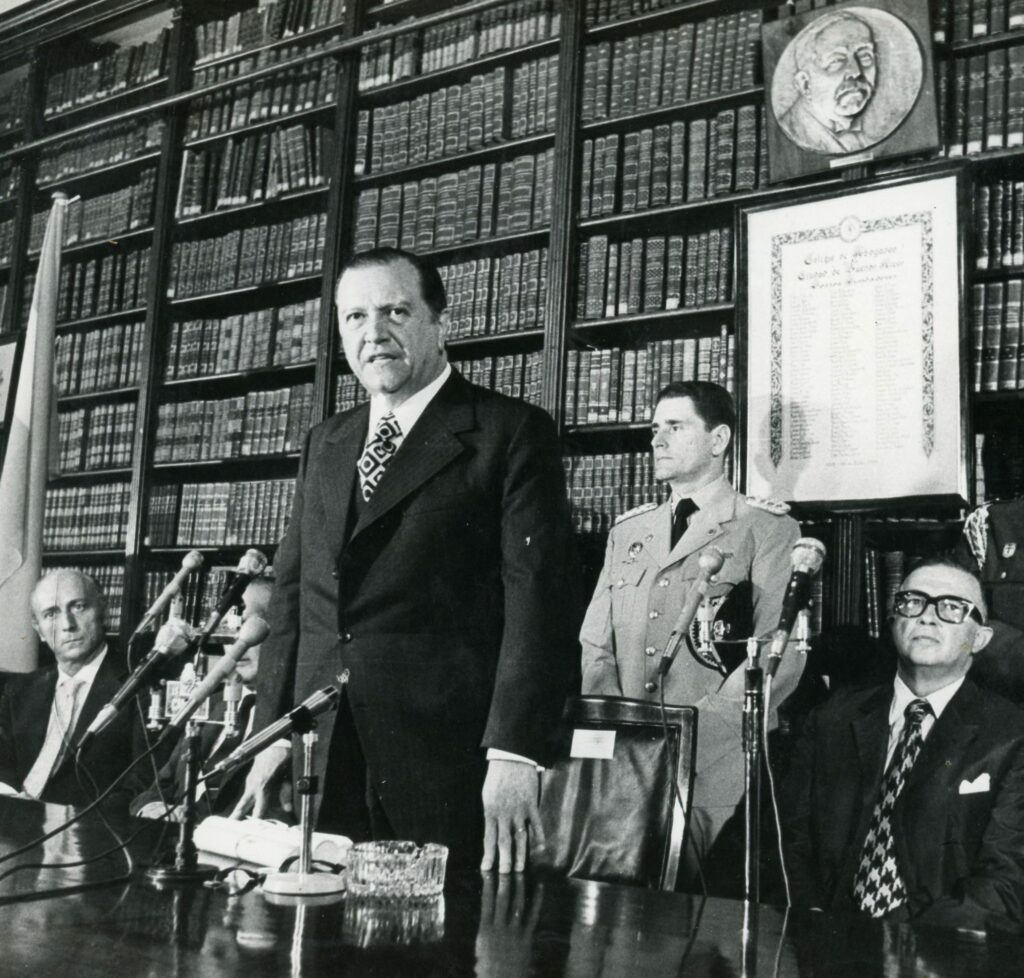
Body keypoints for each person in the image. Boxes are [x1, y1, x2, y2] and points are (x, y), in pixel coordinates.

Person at [237, 247, 580, 871]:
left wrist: (513, 753)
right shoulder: (326, 441)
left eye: (396, 310)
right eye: (356, 318)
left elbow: (540, 604)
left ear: (438, 321)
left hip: (446, 761)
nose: (375, 334)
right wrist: (272, 735)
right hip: (323, 752)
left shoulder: (509, 433)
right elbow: (293, 601)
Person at [579, 380, 802, 880]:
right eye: (655, 429)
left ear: (719, 440)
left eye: (675, 428)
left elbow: (779, 652)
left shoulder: (766, 529)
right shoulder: (629, 531)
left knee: (689, 911)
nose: (656, 440)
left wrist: (688, 738)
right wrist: (622, 731)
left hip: (714, 765)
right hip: (624, 761)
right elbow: (596, 642)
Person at [782, 557, 1024, 932]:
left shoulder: (1011, 734)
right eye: (912, 601)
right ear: (893, 621)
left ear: (980, 638)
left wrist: (899, 942)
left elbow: (1006, 883)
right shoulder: (832, 717)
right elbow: (787, 843)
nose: (927, 617)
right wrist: (814, 922)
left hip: (941, 949)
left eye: (951, 608)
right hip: (827, 942)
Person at [131, 579, 281, 821]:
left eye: (251, 624)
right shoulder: (208, 703)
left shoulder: (288, 715)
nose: (238, 640)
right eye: (230, 628)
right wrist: (151, 808)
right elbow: (161, 786)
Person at [0, 569, 146, 806]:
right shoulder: (19, 690)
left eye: (78, 607)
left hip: (87, 831)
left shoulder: (138, 688)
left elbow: (140, 785)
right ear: (39, 630)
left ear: (104, 611)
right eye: (51, 614)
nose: (67, 624)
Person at [778, 10, 879, 155]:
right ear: (805, 83)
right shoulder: (795, 133)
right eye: (837, 61)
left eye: (864, 56)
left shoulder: (862, 136)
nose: (856, 72)